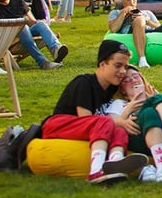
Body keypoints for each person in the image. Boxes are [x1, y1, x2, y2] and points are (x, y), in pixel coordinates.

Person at [41, 40, 153, 184]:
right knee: (106, 122)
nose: (123, 72)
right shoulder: (84, 83)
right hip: (57, 125)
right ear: (102, 64)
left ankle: (115, 162)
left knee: (119, 130)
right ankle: (95, 171)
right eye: (118, 66)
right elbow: (86, 121)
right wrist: (117, 122)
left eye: (125, 67)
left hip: (90, 127)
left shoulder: (111, 87)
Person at [107, 0, 162, 68]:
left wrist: (147, 21)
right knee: (139, 19)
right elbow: (113, 28)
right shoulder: (116, 13)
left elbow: (158, 28)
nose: (131, 2)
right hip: (132, 30)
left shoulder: (147, 12)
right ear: (122, 0)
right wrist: (125, 11)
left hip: (149, 30)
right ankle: (142, 58)